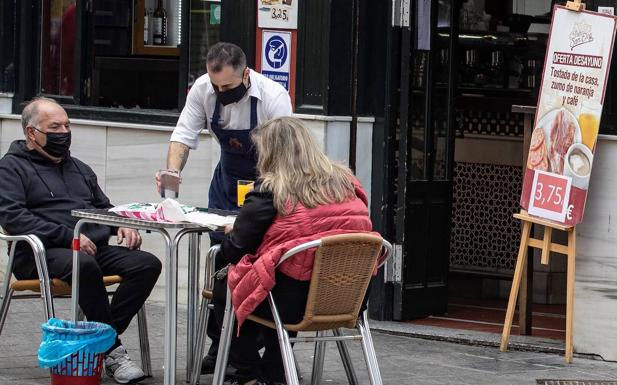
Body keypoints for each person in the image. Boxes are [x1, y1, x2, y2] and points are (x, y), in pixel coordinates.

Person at [0, 97, 162, 385]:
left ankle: (96, 339)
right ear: (31, 133)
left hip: (89, 248)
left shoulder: (79, 168)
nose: (63, 132)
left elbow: (104, 207)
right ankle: (111, 351)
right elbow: (13, 217)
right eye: (55, 127)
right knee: (84, 265)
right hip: (38, 254)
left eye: (67, 125)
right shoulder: (11, 168)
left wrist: (120, 226)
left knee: (147, 264)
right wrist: (67, 236)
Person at [155, 41, 292, 372]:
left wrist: (265, 202)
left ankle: (251, 346)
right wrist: (172, 176)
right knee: (224, 261)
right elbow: (183, 136)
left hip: (266, 186)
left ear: (246, 74)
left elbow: (287, 156)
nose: (220, 91)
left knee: (259, 263)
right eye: (216, 86)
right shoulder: (203, 90)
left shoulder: (273, 97)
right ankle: (223, 345)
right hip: (227, 186)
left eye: (227, 87)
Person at [212, 117, 373, 385]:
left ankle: (248, 374)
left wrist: (232, 233)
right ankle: (275, 370)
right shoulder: (348, 185)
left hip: (292, 304)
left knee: (228, 284)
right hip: (346, 297)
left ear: (271, 153)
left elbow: (236, 249)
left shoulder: (271, 191)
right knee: (290, 270)